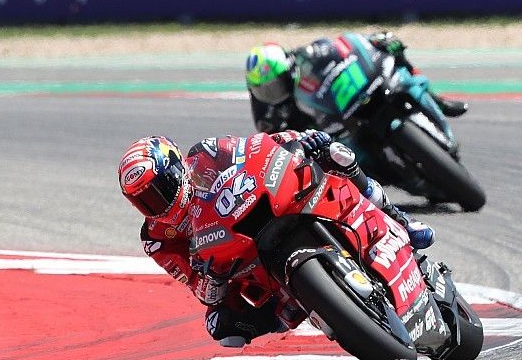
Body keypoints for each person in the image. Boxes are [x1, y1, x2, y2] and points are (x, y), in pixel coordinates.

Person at [117, 130, 436, 348]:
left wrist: (300, 140)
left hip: (264, 207)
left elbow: (255, 148)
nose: (159, 202)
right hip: (240, 265)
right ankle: (302, 308)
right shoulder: (158, 239)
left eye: (163, 186)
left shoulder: (206, 155)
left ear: (177, 167)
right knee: (220, 326)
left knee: (336, 155)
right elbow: (198, 289)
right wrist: (211, 279)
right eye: (146, 201)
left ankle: (399, 220)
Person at [245, 31, 468, 137]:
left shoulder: (306, 58)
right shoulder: (265, 114)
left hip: (345, 102)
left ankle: (437, 100)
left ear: (289, 70)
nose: (272, 93)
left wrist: (373, 42)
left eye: (276, 84)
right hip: (330, 138)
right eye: (264, 90)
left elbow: (338, 48)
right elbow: (273, 144)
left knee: (391, 50)